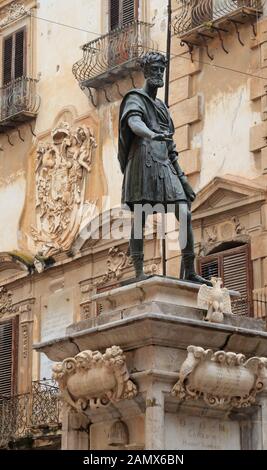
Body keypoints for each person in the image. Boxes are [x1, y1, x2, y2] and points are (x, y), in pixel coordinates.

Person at [118, 51, 211, 286]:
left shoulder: (162, 107)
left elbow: (171, 146)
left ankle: (189, 270)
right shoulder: (135, 98)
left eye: (162, 70)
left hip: (165, 164)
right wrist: (151, 134)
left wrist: (183, 179)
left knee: (185, 212)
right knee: (140, 217)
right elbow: (134, 122)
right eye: (155, 70)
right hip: (142, 163)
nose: (159, 73)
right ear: (146, 72)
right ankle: (138, 271)